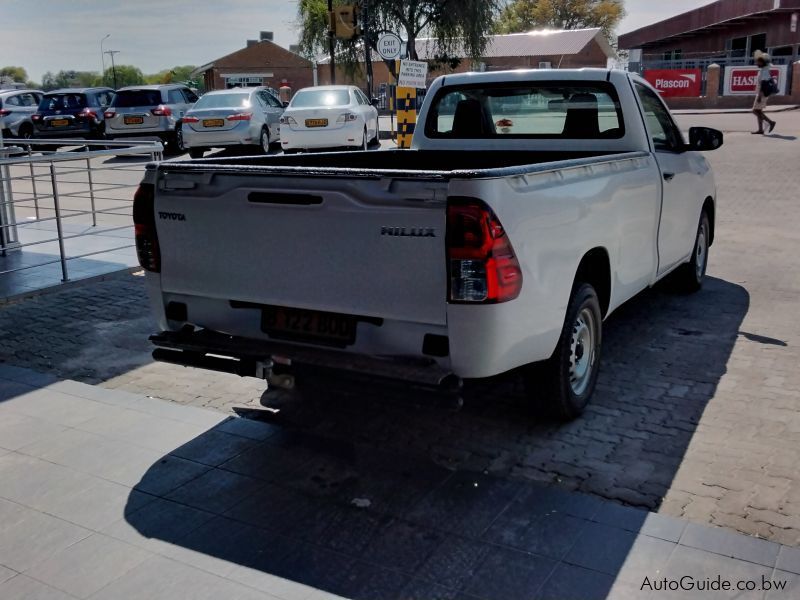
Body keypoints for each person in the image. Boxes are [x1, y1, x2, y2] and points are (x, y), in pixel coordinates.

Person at [752, 50, 776, 135]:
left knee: (755, 111)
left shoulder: (764, 71)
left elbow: (763, 84)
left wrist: (759, 96)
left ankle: (770, 122)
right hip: (761, 93)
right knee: (759, 111)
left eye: (758, 62)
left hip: (761, 94)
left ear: (763, 62)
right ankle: (760, 129)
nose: (756, 63)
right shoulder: (764, 69)